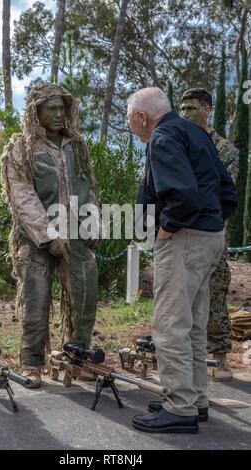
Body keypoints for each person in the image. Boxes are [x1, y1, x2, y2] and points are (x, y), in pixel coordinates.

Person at [127, 87, 238, 434]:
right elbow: (228, 191)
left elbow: (183, 194)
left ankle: (180, 408)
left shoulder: (162, 137)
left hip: (184, 237)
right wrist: (213, 222)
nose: (130, 125)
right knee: (193, 322)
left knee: (170, 323)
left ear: (142, 117)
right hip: (209, 235)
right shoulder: (194, 132)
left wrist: (168, 228)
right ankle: (194, 399)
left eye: (129, 118)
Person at [1, 83, 99, 388]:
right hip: (36, 239)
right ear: (36, 112)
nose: (59, 114)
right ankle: (32, 363)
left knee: (86, 299)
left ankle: (77, 359)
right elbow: (22, 195)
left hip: (76, 236)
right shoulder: (22, 148)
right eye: (51, 109)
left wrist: (93, 222)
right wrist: (48, 235)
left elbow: (88, 187)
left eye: (62, 108)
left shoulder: (76, 146)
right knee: (35, 302)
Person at [181, 87, 239, 381]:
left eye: (191, 108)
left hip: (211, 235)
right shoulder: (177, 143)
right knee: (182, 299)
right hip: (180, 234)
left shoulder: (225, 150)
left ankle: (220, 356)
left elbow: (219, 191)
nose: (185, 114)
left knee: (215, 294)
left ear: (207, 109)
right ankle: (186, 358)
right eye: (183, 108)